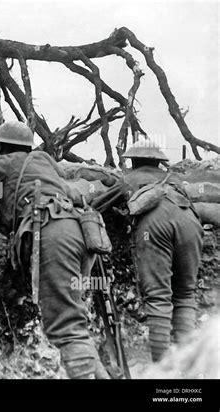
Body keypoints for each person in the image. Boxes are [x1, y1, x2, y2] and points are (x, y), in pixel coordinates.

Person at [0, 121, 109, 379]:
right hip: (79, 230)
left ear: (1, 146)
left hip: (51, 232)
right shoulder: (44, 161)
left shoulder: (8, 162)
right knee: (73, 312)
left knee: (65, 323)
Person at [91, 139, 203, 362]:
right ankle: (187, 367)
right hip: (191, 223)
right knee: (185, 295)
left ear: (133, 161)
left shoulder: (129, 179)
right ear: (160, 163)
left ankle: (162, 370)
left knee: (159, 298)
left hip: (155, 226)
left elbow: (96, 205)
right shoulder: (175, 180)